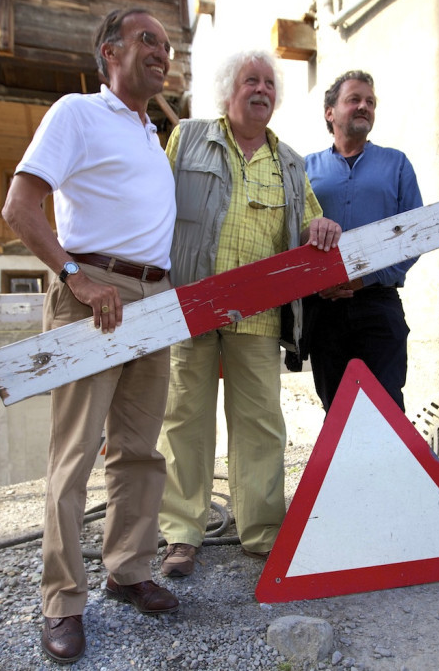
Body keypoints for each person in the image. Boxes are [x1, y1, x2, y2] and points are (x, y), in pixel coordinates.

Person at [2, 8, 180, 665]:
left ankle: (128, 569)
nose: (161, 52)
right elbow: (19, 207)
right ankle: (61, 600)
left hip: (153, 298)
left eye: (166, 44)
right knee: (73, 457)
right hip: (96, 295)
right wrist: (75, 278)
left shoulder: (149, 131)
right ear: (110, 52)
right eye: (146, 40)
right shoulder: (76, 113)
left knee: (138, 451)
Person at [155, 50, 342, 578]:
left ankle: (261, 533)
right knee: (185, 419)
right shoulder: (188, 137)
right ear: (228, 90)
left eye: (268, 83)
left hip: (259, 315)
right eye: (249, 80)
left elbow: (309, 220)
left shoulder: (291, 162)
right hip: (190, 305)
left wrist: (321, 226)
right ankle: (182, 535)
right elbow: (155, 206)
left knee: (260, 423)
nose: (261, 89)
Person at [303, 71, 423, 412]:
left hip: (379, 304)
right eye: (354, 99)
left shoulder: (396, 164)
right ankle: (346, 468)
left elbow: (414, 234)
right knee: (338, 410)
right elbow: (289, 234)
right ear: (330, 112)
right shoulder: (305, 169)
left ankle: (392, 467)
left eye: (370, 102)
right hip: (323, 311)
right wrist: (317, 284)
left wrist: (364, 276)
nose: (364, 106)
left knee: (386, 407)